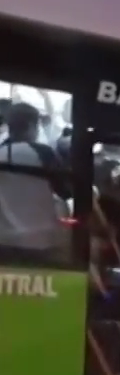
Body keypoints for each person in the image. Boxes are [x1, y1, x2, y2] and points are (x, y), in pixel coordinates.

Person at [0, 102, 70, 261]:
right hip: (40, 241)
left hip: (3, 240)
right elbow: (65, 191)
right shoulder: (42, 153)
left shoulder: (0, 152)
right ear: (32, 125)